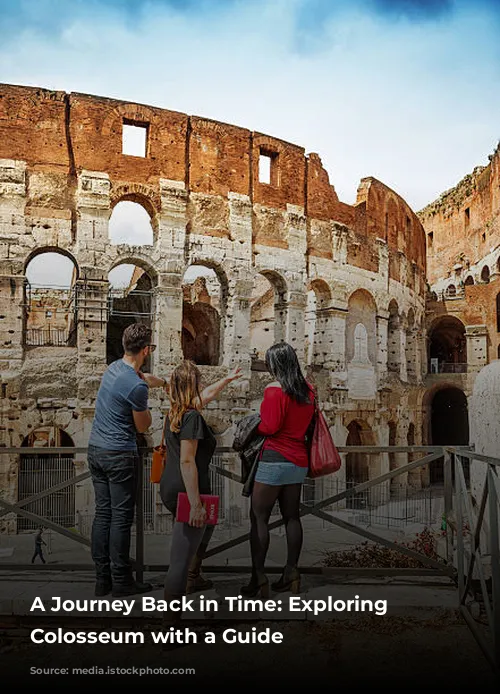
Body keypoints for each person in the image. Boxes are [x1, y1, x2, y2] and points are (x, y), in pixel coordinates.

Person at [88, 322, 168, 597]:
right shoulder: (136, 387)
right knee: (121, 519)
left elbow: (139, 379)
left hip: (95, 450)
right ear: (146, 349)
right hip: (120, 454)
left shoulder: (113, 369)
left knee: (103, 515)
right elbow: (143, 426)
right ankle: (122, 580)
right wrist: (148, 403)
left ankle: (103, 580)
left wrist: (160, 382)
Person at [159, 360, 242, 617]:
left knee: (194, 542)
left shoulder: (176, 411)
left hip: (170, 486)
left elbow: (206, 396)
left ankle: (192, 579)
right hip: (187, 491)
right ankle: (170, 629)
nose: (203, 384)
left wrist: (226, 380)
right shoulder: (193, 417)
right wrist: (195, 504)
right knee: (179, 562)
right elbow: (187, 460)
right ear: (192, 385)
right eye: (199, 380)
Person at [241, 342, 315, 598]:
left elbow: (270, 427)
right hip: (298, 460)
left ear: (276, 365)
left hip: (274, 458)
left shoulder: (275, 390)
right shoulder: (308, 391)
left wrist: (253, 424)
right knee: (292, 517)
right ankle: (291, 572)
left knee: (259, 518)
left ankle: (258, 578)